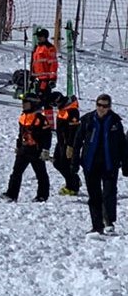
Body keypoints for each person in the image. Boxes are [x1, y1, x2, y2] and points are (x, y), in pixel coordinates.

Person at [74, 93, 126, 234]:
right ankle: (97, 225)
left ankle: (109, 222)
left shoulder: (115, 122)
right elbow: (77, 141)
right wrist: (75, 162)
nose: (102, 108)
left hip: (110, 164)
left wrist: (125, 164)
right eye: (99, 105)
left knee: (109, 193)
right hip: (91, 164)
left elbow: (123, 145)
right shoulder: (87, 120)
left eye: (105, 106)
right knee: (94, 195)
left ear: (109, 107)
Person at [1, 93, 52, 203]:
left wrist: (45, 150)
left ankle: (42, 196)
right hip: (24, 150)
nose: (23, 105)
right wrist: (18, 146)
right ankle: (11, 194)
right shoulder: (23, 117)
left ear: (33, 104)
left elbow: (47, 136)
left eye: (26, 103)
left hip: (36, 151)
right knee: (16, 172)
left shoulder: (41, 119)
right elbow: (21, 134)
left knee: (41, 174)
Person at [52, 91, 82, 196]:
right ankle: (75, 180)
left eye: (55, 104)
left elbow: (74, 130)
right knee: (56, 162)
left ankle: (72, 187)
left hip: (68, 143)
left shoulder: (72, 111)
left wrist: (70, 146)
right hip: (61, 141)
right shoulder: (62, 109)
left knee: (66, 165)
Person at [31, 28, 58, 95]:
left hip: (45, 79)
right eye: (38, 36)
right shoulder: (37, 47)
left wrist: (52, 79)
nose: (38, 38)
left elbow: (53, 64)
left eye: (41, 36)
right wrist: (32, 75)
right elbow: (34, 63)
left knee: (44, 98)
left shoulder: (49, 48)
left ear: (45, 37)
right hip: (37, 78)